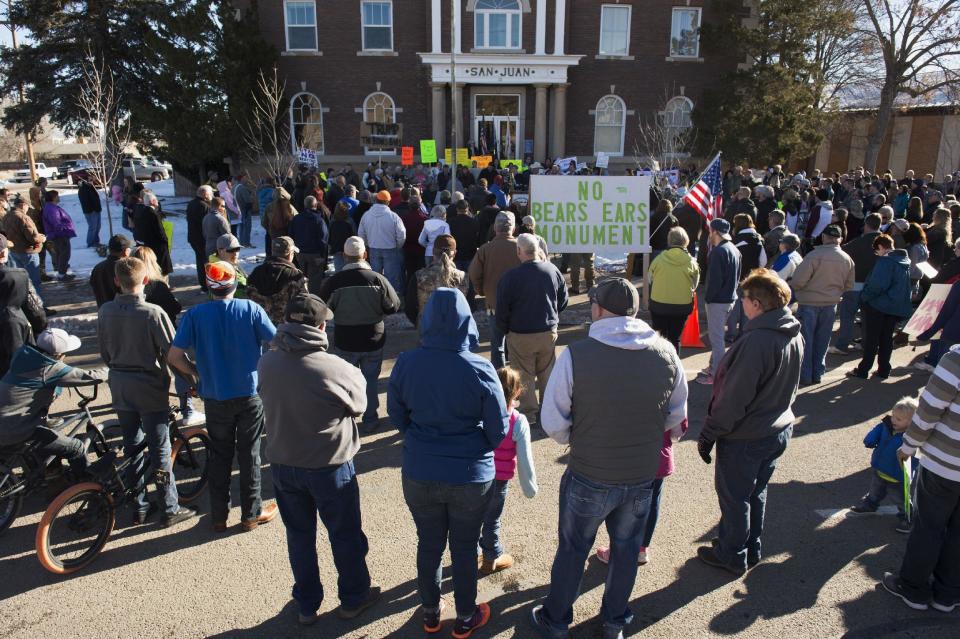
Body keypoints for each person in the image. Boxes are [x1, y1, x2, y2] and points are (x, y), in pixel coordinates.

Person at [531, 278, 687, 639]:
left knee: (572, 549)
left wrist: (580, 438)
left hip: (589, 471)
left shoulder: (575, 354)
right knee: (627, 549)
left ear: (598, 309)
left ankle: (556, 622)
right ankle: (615, 621)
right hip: (641, 475)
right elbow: (676, 418)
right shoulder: (666, 353)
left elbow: (553, 421)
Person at [387, 287, 508, 638]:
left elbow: (397, 415)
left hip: (420, 469)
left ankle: (430, 612)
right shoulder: (481, 368)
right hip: (471, 473)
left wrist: (420, 438)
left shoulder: (406, 363)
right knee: (465, 546)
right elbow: (498, 430)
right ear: (466, 321)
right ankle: (467, 615)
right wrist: (476, 446)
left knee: (429, 543)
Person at [257, 293, 381, 626]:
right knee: (345, 535)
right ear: (322, 325)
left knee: (299, 537)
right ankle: (354, 598)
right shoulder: (336, 368)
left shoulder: (267, 361)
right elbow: (359, 406)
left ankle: (307, 604)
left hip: (283, 464)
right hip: (329, 466)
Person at [695, 270, 803, 574]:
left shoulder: (757, 341)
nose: (740, 303)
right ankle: (750, 547)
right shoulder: (791, 332)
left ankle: (732, 554)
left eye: (743, 298)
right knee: (756, 493)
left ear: (756, 303)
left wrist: (710, 433)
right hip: (777, 428)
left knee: (735, 498)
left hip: (749, 435)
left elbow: (733, 398)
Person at [168, 261, 279, 533]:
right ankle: (251, 514)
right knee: (249, 454)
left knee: (219, 456)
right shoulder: (251, 310)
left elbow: (173, 356)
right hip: (249, 395)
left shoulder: (195, 315)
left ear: (209, 286)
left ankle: (219, 516)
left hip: (215, 397)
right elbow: (277, 343)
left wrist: (195, 374)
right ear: (234, 284)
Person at [97, 257, 195, 527]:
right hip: (149, 387)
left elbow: (104, 352)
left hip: (119, 383)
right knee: (159, 449)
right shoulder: (152, 313)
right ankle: (169, 507)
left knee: (132, 447)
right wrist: (191, 378)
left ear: (117, 281)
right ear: (146, 280)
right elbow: (173, 354)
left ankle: (139, 506)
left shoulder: (105, 311)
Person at [881, 344, 960, 612]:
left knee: (929, 527)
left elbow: (928, 411)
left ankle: (914, 588)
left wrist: (908, 445)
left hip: (944, 464)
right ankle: (947, 593)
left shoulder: (956, 359)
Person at [318, 237, 400, 432]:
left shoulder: (334, 282)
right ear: (365, 254)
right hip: (373, 339)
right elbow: (393, 306)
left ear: (345, 256)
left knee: (344, 382)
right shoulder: (377, 279)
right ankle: (371, 419)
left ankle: (347, 420)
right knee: (371, 381)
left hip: (346, 340)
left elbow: (322, 309)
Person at [0, 328, 106, 474]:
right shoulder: (49, 368)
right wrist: (115, 369)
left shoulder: (22, 356)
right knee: (76, 448)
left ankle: (50, 474)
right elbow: (91, 376)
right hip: (16, 429)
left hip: (6, 421)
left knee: (48, 435)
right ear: (58, 355)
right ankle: (86, 488)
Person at [495, 233, 568, 424]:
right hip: (547, 330)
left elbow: (502, 308)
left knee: (524, 373)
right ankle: (549, 410)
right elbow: (563, 300)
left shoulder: (511, 277)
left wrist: (504, 329)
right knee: (547, 370)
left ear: (519, 251)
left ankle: (528, 413)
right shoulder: (552, 270)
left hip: (520, 333)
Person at [478, 366, 538, 576]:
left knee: (474, 516)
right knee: (492, 519)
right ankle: (491, 557)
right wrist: (530, 487)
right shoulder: (518, 421)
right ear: (518, 391)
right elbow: (525, 458)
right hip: (500, 480)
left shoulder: (481, 413)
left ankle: (473, 551)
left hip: (477, 475)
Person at [791, 225, 855, 385]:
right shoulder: (847, 258)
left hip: (809, 303)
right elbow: (849, 284)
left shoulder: (814, 255)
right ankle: (817, 373)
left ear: (825, 237)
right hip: (831, 303)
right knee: (822, 340)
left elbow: (798, 281)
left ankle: (805, 375)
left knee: (806, 340)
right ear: (840, 239)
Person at [849, 396, 918, 533]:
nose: (893, 420)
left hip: (898, 476)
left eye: (899, 419)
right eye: (893, 416)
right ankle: (870, 505)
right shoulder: (885, 426)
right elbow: (874, 434)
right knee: (875, 490)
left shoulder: (912, 438)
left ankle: (908, 518)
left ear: (911, 422)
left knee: (901, 500)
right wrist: (870, 440)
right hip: (880, 469)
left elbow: (915, 458)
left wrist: (911, 469)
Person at [848, 234, 912, 380]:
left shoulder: (886, 262)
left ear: (882, 247)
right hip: (893, 307)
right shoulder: (904, 262)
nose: (877, 254)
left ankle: (863, 369)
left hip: (878, 305)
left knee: (872, 339)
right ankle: (884, 369)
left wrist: (864, 297)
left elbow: (877, 285)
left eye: (877, 251)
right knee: (886, 339)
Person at [469, 212, 520, 369]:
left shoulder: (485, 249)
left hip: (494, 304)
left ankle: (500, 381)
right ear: (513, 228)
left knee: (497, 346)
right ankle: (517, 380)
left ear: (495, 228)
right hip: (519, 305)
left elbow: (473, 274)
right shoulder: (521, 248)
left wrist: (482, 291)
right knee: (518, 346)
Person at [697, 218, 741, 386]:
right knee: (717, 337)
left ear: (714, 231)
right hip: (730, 298)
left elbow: (714, 280)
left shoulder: (718, 252)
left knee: (716, 340)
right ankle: (713, 367)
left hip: (718, 300)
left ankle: (716, 374)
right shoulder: (733, 249)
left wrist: (709, 298)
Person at [831, 213, 883, 355]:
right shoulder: (885, 242)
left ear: (866, 225)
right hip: (874, 287)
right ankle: (866, 344)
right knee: (868, 317)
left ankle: (842, 346)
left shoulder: (859, 242)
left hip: (855, 284)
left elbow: (841, 252)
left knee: (847, 316)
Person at [0, 234, 46, 377]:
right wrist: (42, 330)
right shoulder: (19, 276)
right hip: (15, 334)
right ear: (3, 253)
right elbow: (35, 309)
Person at [647, 227, 699, 353]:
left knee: (659, 338)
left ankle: (658, 364)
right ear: (685, 241)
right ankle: (674, 365)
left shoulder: (658, 259)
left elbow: (650, 279)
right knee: (675, 338)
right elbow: (695, 284)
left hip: (658, 305)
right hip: (681, 307)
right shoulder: (691, 262)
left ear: (669, 240)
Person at [404, 234, 468, 327]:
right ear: (455, 253)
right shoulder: (464, 277)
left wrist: (420, 324)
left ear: (433, 252)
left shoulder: (418, 276)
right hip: (456, 331)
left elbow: (410, 308)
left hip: (428, 331)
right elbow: (470, 307)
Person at [247, 236, 307, 325]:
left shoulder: (256, 272)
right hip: (287, 330)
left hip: (260, 326)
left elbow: (248, 298)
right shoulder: (295, 276)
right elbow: (304, 303)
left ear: (273, 252)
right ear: (290, 254)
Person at [357, 190, 405, 293]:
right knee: (392, 278)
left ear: (376, 200)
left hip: (373, 249)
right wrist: (397, 246)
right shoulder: (393, 216)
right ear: (388, 202)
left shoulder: (366, 215)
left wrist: (366, 245)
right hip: (390, 249)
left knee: (375, 277)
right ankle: (393, 299)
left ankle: (376, 298)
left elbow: (361, 233)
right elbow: (402, 235)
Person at [288, 196, 329, 294]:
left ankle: (301, 296)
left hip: (300, 253)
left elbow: (290, 235)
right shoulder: (319, 221)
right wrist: (323, 255)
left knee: (301, 277)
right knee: (314, 280)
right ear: (315, 205)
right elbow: (324, 240)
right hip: (315, 254)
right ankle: (312, 299)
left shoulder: (296, 219)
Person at [132, 191, 173, 275]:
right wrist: (165, 240)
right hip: (158, 244)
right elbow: (159, 230)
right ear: (152, 202)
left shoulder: (142, 212)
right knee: (161, 267)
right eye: (156, 200)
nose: (157, 201)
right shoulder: (153, 213)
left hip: (148, 243)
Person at [89, 234, 134, 307]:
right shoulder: (126, 267)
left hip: (104, 312)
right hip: (124, 312)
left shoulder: (97, 268)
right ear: (126, 251)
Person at [41, 190, 76, 281]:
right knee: (64, 254)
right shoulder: (52, 209)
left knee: (62, 254)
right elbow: (56, 223)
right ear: (53, 197)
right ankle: (62, 274)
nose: (59, 197)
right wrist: (64, 229)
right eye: (57, 196)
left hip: (59, 234)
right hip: (60, 235)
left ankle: (62, 273)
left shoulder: (51, 207)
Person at [187, 185, 214, 291]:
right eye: (211, 192)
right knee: (206, 261)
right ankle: (207, 284)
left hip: (193, 237)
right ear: (205, 194)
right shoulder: (204, 206)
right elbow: (207, 224)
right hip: (201, 238)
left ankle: (203, 282)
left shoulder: (191, 203)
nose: (212, 194)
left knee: (200, 260)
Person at [328, 200, 356, 273]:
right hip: (348, 249)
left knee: (338, 271)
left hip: (336, 248)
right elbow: (354, 234)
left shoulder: (332, 221)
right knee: (349, 271)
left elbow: (329, 234)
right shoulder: (350, 221)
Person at [903, 222, 929, 300]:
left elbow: (912, 265)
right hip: (918, 276)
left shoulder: (914, 248)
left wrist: (903, 277)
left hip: (911, 278)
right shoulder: (923, 245)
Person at [233, 173, 257, 248]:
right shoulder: (242, 188)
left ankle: (242, 242)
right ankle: (246, 243)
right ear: (242, 178)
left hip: (237, 210)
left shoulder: (233, 187)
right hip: (244, 210)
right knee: (246, 227)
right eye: (245, 177)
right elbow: (248, 200)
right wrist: (252, 196)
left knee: (241, 227)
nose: (247, 179)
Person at [77, 177, 102, 248]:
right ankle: (90, 243)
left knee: (98, 226)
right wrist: (92, 210)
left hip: (96, 209)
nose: (92, 181)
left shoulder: (91, 187)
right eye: (90, 180)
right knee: (92, 227)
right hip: (90, 211)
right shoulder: (83, 189)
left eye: (92, 180)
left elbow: (96, 197)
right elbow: (85, 202)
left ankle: (96, 241)